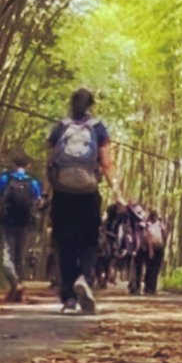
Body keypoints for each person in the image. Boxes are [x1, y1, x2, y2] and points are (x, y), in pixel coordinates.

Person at [46, 87, 121, 313]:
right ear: (91, 105)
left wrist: (45, 192)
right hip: (88, 193)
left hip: (62, 193)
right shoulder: (98, 128)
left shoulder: (60, 127)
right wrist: (118, 193)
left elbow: (49, 163)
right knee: (89, 241)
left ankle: (68, 296)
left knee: (65, 242)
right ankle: (84, 279)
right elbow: (106, 164)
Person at [0, 152, 43, 302]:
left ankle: (14, 283)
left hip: (7, 221)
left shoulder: (4, 178)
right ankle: (18, 285)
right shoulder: (33, 182)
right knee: (19, 257)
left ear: (13, 164)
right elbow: (38, 200)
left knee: (6, 255)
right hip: (24, 223)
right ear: (27, 166)